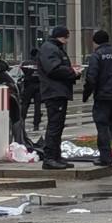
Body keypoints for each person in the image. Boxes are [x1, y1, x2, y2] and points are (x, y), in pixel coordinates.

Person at [82, 29, 112, 168]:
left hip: (104, 96)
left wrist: (86, 95)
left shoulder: (97, 55)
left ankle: (106, 158)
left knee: (102, 126)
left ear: (95, 42)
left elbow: (91, 78)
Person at [37, 25, 78, 170]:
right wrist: (72, 72)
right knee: (54, 126)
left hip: (57, 91)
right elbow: (53, 69)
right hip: (54, 92)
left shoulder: (54, 48)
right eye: (67, 37)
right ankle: (50, 158)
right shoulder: (51, 49)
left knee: (58, 125)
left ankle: (55, 156)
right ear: (62, 36)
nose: (67, 40)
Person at [19, 47, 43, 134]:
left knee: (25, 104)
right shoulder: (40, 63)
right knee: (37, 106)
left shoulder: (25, 63)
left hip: (28, 85)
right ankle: (36, 124)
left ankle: (22, 121)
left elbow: (21, 73)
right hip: (38, 86)